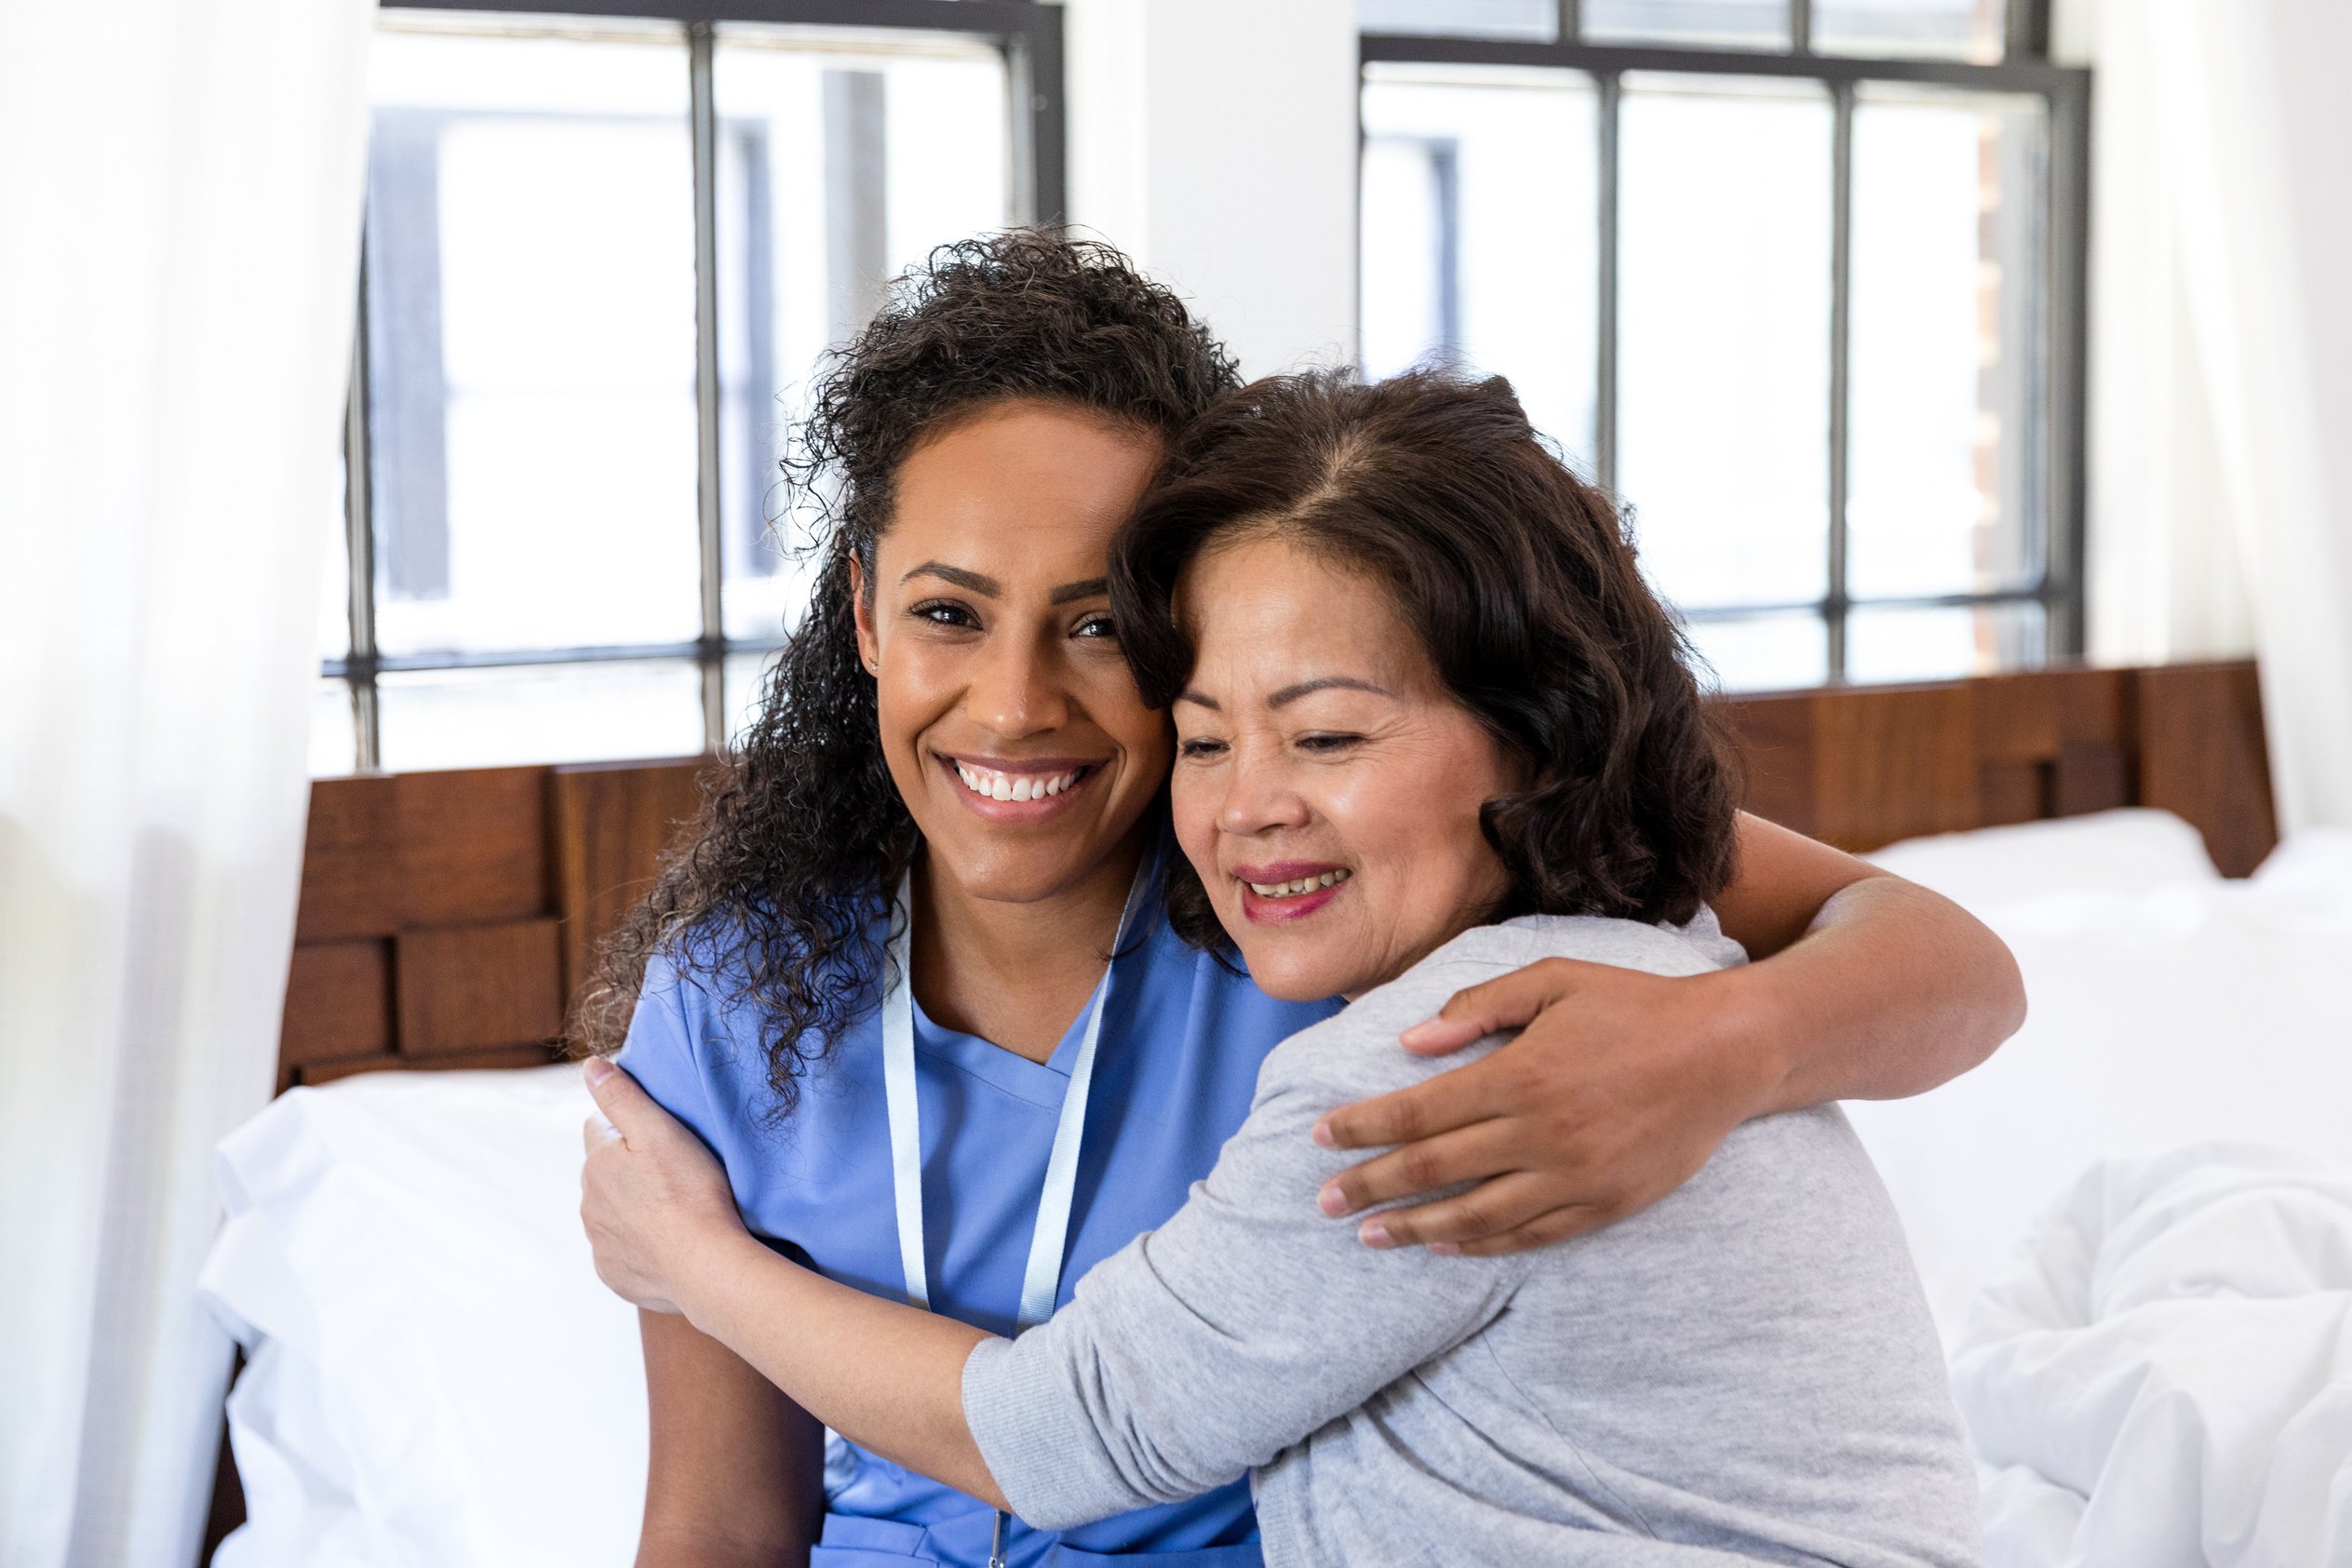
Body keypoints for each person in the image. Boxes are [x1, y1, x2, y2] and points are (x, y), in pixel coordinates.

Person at [576, 233, 2021, 1568]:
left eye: (1096, 625)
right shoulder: (737, 990)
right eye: (950, 612)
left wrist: (1721, 1044)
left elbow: (1954, 963)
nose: (1013, 706)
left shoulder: (1340, 899)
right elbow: (716, 1521)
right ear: (863, 615)